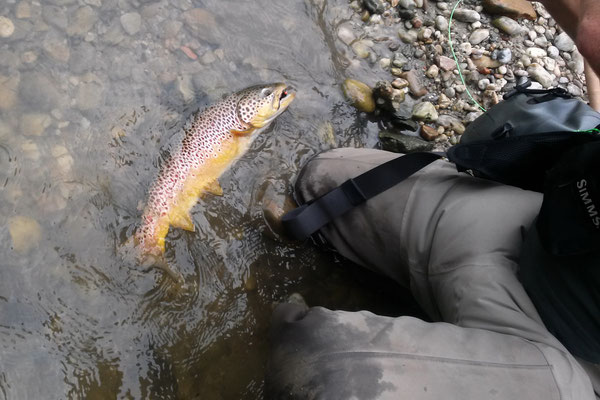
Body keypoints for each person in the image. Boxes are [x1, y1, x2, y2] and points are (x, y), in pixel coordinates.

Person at [266, 2, 600, 399]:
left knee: (314, 372)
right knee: (319, 183)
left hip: (569, 359)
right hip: (525, 232)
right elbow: (589, 25)